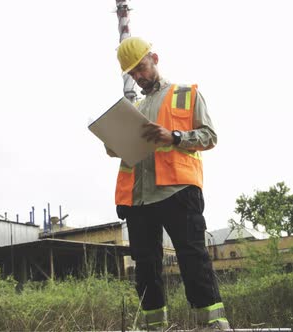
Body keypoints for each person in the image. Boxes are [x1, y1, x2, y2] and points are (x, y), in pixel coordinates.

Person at [107, 37, 230, 330]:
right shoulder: (132, 106)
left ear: (155, 59)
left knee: (192, 258)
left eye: (141, 68)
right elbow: (123, 150)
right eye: (133, 73)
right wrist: (113, 143)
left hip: (178, 191)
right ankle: (154, 325)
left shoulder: (185, 94)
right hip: (139, 199)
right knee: (145, 267)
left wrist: (174, 137)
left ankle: (212, 324)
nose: (138, 76)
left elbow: (209, 136)